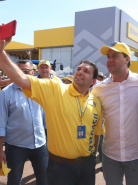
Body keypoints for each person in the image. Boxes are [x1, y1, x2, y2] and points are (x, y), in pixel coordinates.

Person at [0, 37, 103, 185]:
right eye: (79, 69)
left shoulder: (96, 102)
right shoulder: (55, 88)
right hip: (60, 167)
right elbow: (21, 79)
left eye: (86, 71)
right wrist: (1, 51)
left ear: (93, 81)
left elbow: (97, 132)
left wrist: (93, 156)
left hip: (87, 165)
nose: (80, 72)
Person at [92, 41, 138, 185]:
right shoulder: (99, 89)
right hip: (110, 155)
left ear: (127, 59)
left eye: (115, 56)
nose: (109, 60)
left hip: (137, 154)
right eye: (108, 57)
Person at [0, 59, 48, 185]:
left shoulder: (42, 90)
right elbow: (1, 123)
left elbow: (45, 118)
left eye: (26, 71)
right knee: (14, 181)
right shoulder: (5, 93)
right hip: (16, 147)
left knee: (44, 180)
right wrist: (0, 150)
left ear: (33, 72)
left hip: (40, 145)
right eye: (19, 71)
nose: (22, 74)